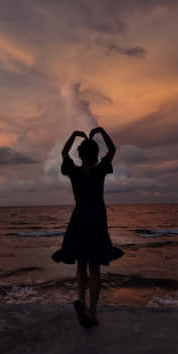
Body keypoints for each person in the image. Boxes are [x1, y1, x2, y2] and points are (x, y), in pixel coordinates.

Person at [51, 127, 124, 327]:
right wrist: (100, 131)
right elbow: (113, 149)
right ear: (95, 155)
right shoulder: (100, 170)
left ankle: (81, 301)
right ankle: (92, 312)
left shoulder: (74, 172)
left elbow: (64, 153)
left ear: (81, 155)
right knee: (95, 266)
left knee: (81, 264)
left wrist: (73, 135)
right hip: (97, 219)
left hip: (79, 219)